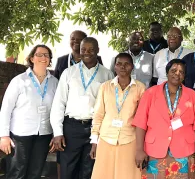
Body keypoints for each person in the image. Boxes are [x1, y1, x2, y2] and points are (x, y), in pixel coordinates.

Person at [50, 37, 114, 179]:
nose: (87, 52)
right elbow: (59, 103)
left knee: (89, 171)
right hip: (71, 128)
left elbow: (109, 106)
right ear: (79, 51)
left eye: (91, 49)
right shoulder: (68, 72)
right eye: (83, 49)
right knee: (67, 171)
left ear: (98, 50)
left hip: (94, 129)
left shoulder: (107, 74)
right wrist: (57, 132)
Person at [132, 59, 195, 178]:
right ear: (167, 73)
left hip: (184, 152)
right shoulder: (150, 93)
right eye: (173, 70)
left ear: (184, 76)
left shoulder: (192, 96)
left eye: (181, 72)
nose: (177, 74)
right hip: (155, 151)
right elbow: (140, 123)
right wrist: (139, 150)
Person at [0, 45, 58, 179]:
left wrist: (56, 133)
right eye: (39, 54)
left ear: (50, 60)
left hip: (44, 134)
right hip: (20, 135)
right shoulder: (19, 81)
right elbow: (6, 109)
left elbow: (57, 110)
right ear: (32, 58)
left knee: (35, 172)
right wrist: (3, 136)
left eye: (46, 55)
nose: (43, 58)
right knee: (17, 172)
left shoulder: (54, 82)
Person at [90, 53, 146, 179]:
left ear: (132, 67)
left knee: (127, 175)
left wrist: (140, 148)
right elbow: (98, 115)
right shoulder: (105, 87)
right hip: (106, 138)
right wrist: (94, 141)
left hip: (129, 139)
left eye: (126, 64)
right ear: (114, 67)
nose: (122, 67)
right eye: (119, 64)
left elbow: (142, 119)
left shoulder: (140, 88)